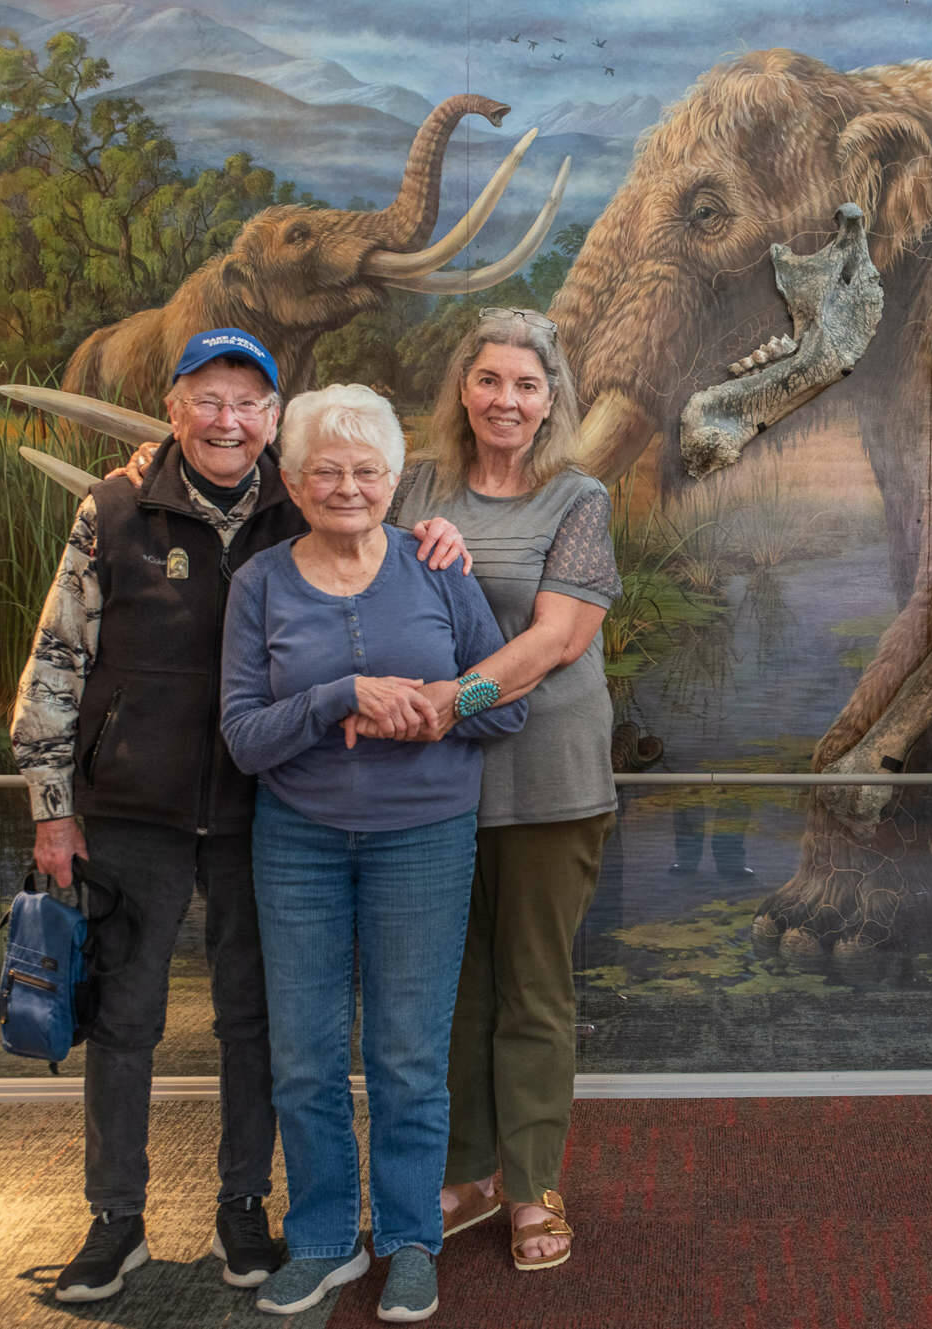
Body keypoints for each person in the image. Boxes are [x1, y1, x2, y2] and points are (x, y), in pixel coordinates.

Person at [10, 329, 467, 1305]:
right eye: (207, 400)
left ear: (272, 420)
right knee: (124, 1019)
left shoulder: (298, 499)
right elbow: (56, 659)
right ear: (174, 409)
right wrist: (52, 807)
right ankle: (115, 1220)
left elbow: (375, 527)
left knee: (257, 1025)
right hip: (135, 804)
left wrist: (436, 532)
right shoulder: (115, 507)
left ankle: (244, 1207)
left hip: (265, 808)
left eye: (247, 403)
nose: (227, 420)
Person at [220, 384, 525, 1322]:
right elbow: (243, 737)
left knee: (406, 1054)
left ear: (393, 480)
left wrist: (445, 704)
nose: (347, 487)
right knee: (305, 1056)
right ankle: (322, 1241)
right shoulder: (259, 583)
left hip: (425, 841)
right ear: (292, 481)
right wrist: (338, 696)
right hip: (297, 842)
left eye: (366, 471)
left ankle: (409, 1239)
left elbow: (505, 701)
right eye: (326, 471)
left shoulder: (439, 568)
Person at [382, 307, 622, 1272]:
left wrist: (454, 699)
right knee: (455, 986)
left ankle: (531, 1183)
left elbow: (558, 638)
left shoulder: (578, 497)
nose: (506, 400)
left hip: (549, 780)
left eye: (527, 385)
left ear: (552, 399)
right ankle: (468, 1172)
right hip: (434, 784)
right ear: (463, 386)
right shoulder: (416, 484)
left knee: (531, 986)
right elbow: (344, 544)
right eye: (489, 380)